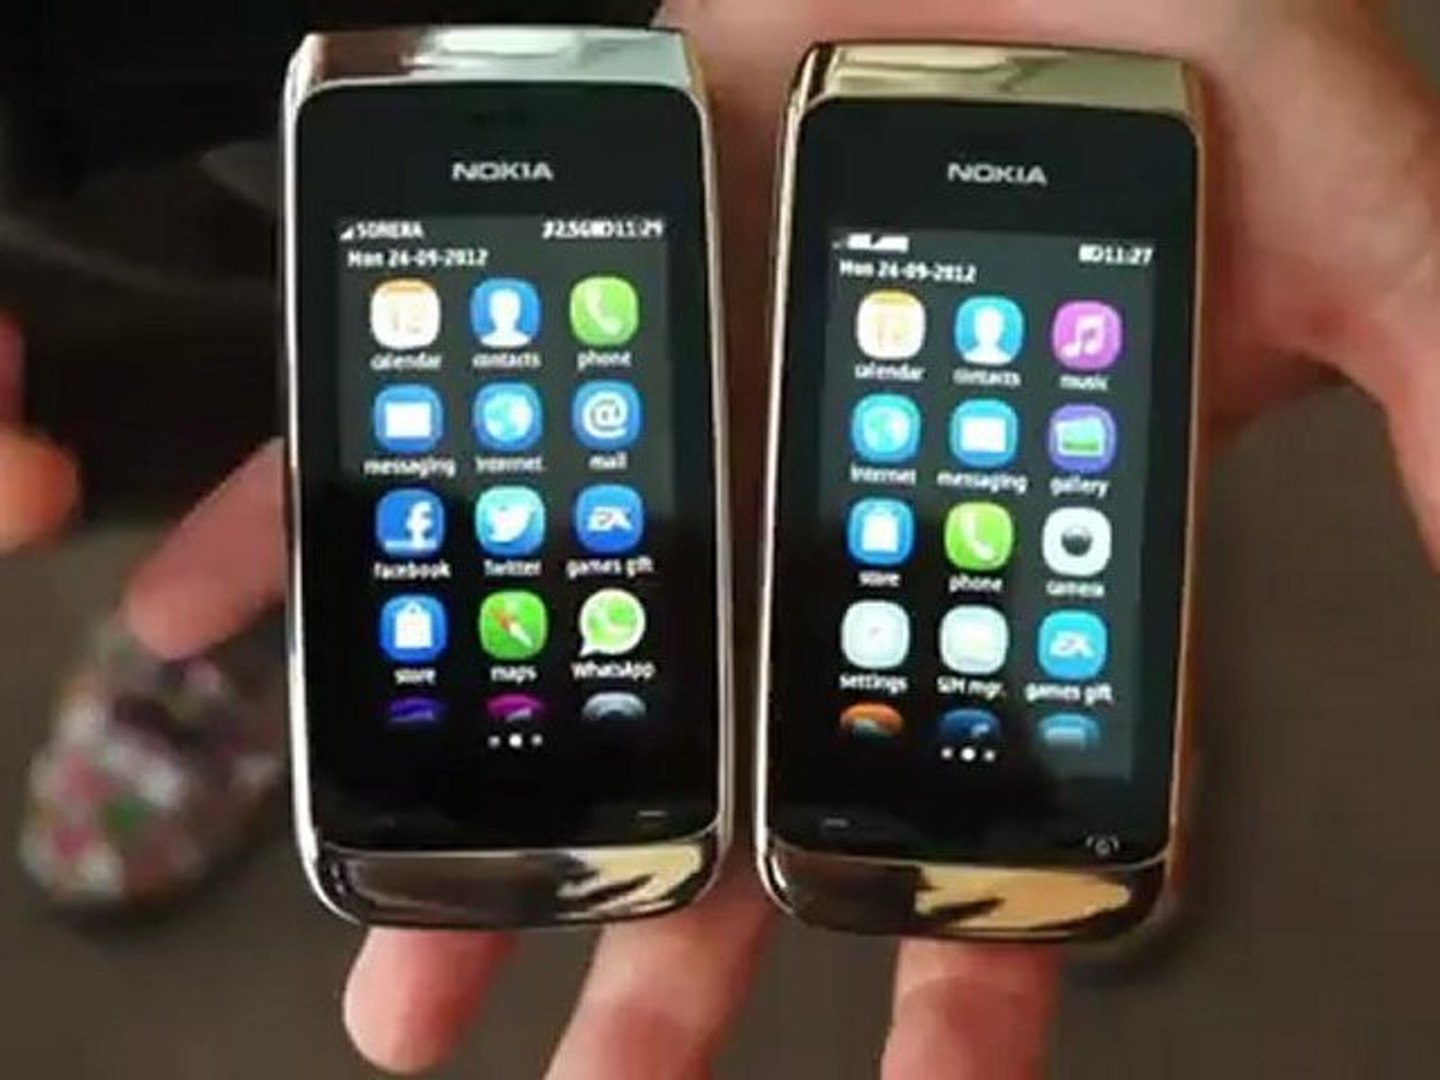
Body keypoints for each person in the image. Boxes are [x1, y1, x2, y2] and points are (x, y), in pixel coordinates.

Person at [4, 0, 1439, 1073]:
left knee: (999, 452)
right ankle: (304, 634)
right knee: (282, 383)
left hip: (634, 38)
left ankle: (1119, 596)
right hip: (112, 99)